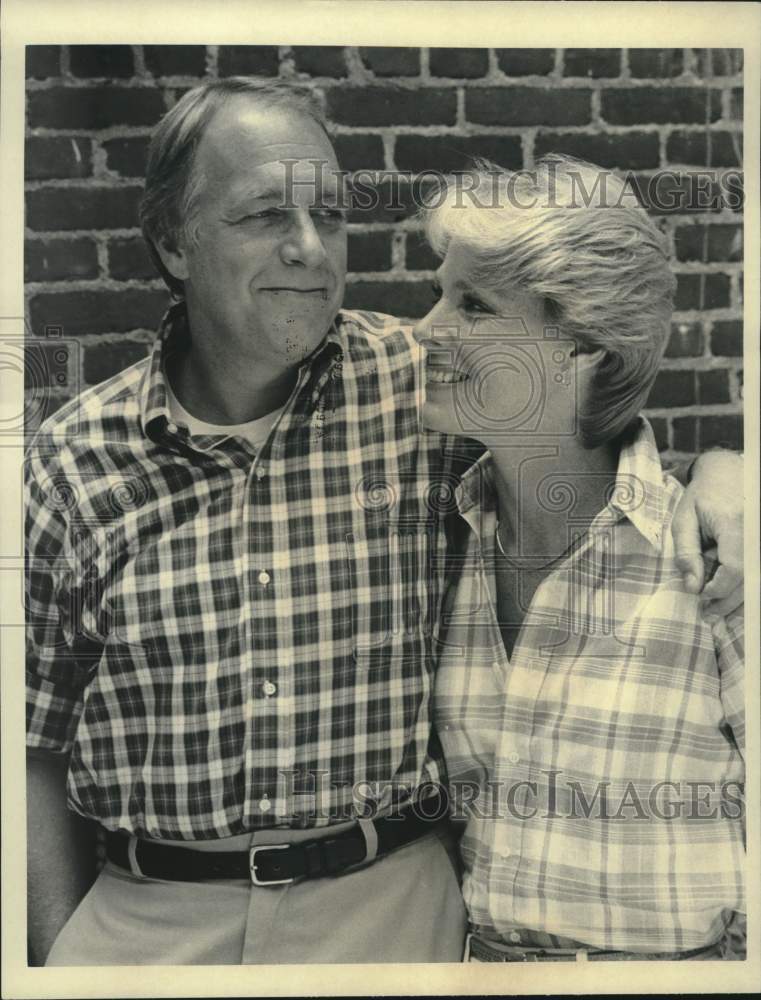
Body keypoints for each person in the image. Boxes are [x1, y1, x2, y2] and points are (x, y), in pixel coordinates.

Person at [25, 79, 743, 967]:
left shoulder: (415, 388)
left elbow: (578, 433)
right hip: (147, 920)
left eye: (330, 214)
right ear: (174, 241)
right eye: (262, 216)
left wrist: (725, 479)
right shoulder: (74, 458)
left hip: (387, 919)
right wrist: (53, 955)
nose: (309, 248)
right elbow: (31, 738)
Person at [413, 156, 745, 962]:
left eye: (475, 306)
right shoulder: (442, 537)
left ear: (583, 350)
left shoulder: (715, 559)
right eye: (440, 291)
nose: (425, 328)